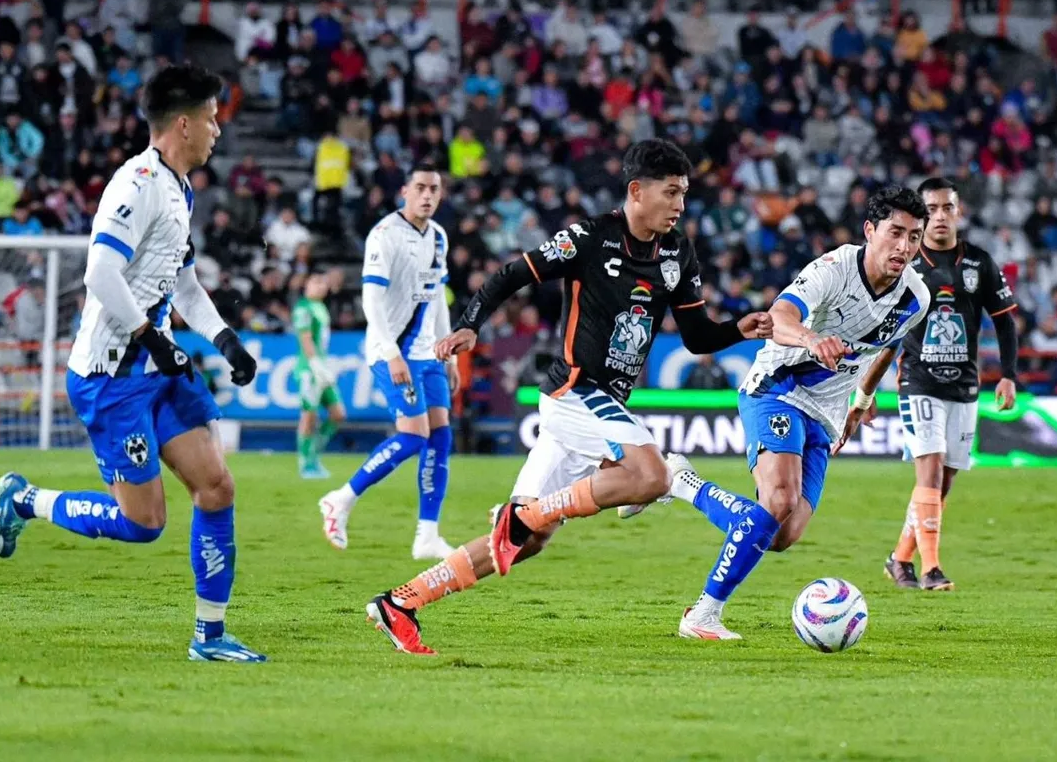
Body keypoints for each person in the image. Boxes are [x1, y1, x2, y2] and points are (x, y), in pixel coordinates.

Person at [363, 139, 773, 654]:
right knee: (649, 475)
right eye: (671, 193)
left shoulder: (677, 253)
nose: (680, 206)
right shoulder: (590, 237)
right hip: (576, 391)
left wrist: (741, 327)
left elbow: (697, 336)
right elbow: (512, 274)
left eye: (684, 194)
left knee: (524, 542)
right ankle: (535, 514)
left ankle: (401, 602)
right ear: (636, 191)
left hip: (599, 407)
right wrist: (469, 326)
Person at [0, 64, 265, 662]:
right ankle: (25, 499)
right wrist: (147, 334)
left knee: (217, 486)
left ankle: (209, 639)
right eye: (213, 119)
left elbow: (183, 281)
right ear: (185, 124)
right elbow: (99, 273)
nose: (218, 130)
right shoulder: (134, 185)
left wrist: (224, 340)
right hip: (112, 377)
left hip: (156, 367)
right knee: (143, 523)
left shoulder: (180, 187)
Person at [627, 186, 931, 640]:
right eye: (895, 233)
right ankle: (703, 614)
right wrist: (812, 339)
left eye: (914, 237)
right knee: (778, 500)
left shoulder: (916, 297)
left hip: (827, 412)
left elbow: (887, 348)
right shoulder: (833, 269)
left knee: (782, 534)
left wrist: (863, 399)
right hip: (778, 388)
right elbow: (781, 314)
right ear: (870, 231)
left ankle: (681, 483)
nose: (904, 247)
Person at [879, 178, 1018, 591]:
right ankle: (930, 568)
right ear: (922, 216)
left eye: (947, 208)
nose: (940, 216)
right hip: (918, 380)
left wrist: (1009, 373)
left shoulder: (979, 263)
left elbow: (1005, 320)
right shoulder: (905, 263)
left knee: (947, 477)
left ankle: (899, 557)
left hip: (964, 384)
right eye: (932, 209)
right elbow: (881, 325)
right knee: (932, 468)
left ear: (958, 212)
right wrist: (864, 387)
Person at [317, 163, 460, 561]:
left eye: (434, 188)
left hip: (428, 353)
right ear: (404, 192)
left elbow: (437, 295)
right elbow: (372, 301)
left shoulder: (439, 237)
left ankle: (427, 535)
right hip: (391, 351)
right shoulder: (385, 235)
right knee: (414, 435)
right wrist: (392, 351)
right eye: (421, 188)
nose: (428, 195)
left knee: (441, 436)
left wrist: (447, 351)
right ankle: (340, 499)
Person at [293, 270, 346, 479]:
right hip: (309, 370)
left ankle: (313, 455)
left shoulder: (321, 308)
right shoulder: (303, 308)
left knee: (338, 414)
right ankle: (305, 463)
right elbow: (305, 338)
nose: (321, 286)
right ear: (306, 285)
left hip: (322, 368)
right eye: (316, 282)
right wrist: (315, 364)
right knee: (309, 415)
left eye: (323, 283)